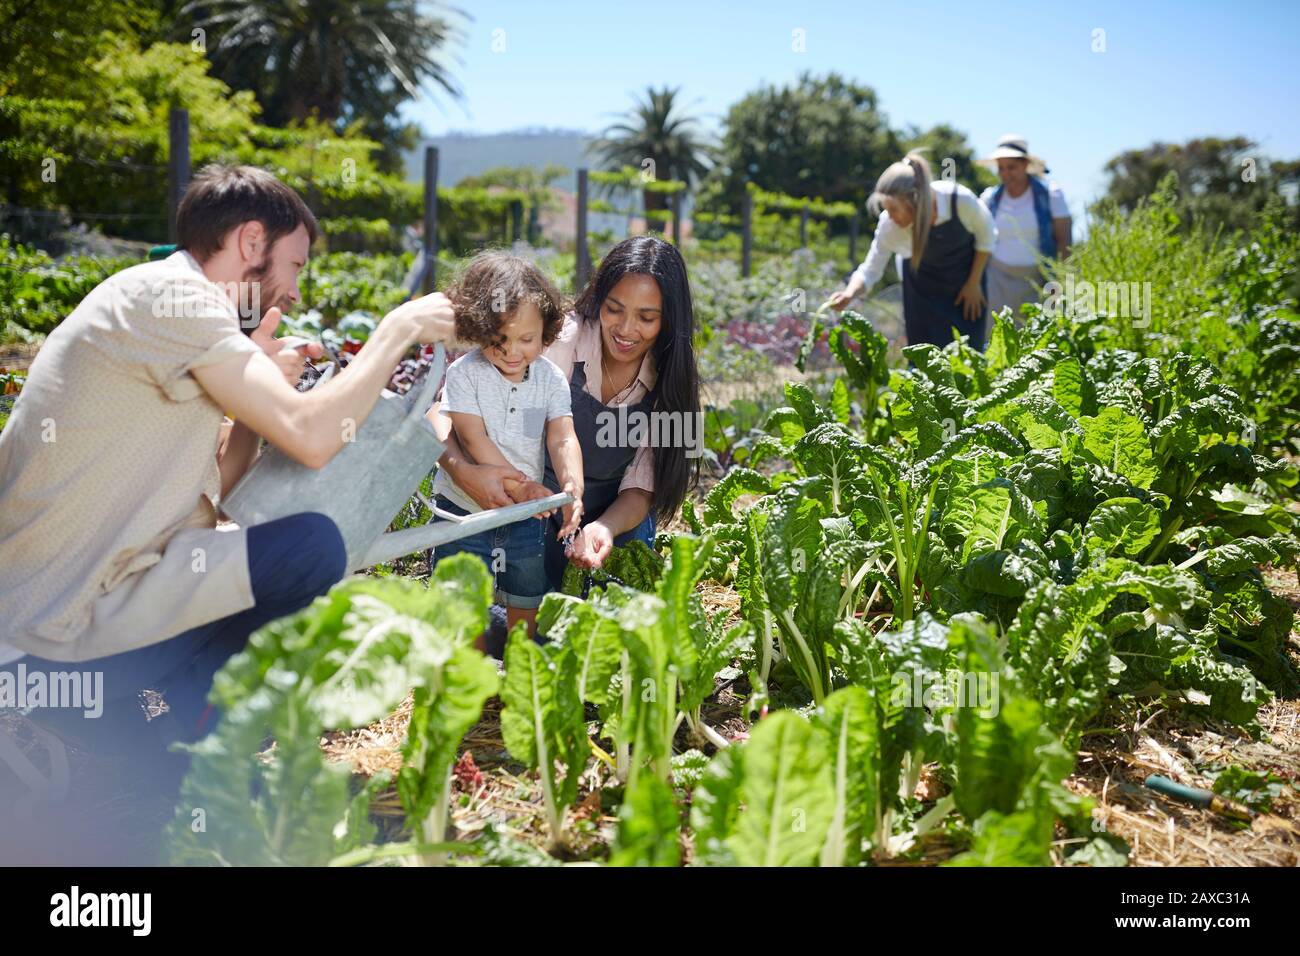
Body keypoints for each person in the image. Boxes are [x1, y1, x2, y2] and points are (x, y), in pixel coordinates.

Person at [0, 165, 457, 827]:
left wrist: (250, 404)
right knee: (311, 546)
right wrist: (395, 332)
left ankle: (164, 752)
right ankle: (198, 742)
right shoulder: (174, 300)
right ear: (250, 242)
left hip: (60, 625)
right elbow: (308, 435)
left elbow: (227, 492)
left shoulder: (168, 309)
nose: (295, 292)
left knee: (159, 785)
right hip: (46, 637)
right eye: (294, 266)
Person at [431, 235, 702, 605]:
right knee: (522, 614)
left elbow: (641, 489)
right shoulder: (558, 340)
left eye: (647, 317)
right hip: (534, 503)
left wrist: (603, 527)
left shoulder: (676, 382)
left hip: (614, 518)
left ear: (670, 318)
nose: (625, 329)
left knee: (615, 617)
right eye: (614, 309)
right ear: (599, 300)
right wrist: (462, 471)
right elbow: (442, 413)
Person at [430, 252, 584, 639]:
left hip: (525, 521)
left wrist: (572, 486)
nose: (513, 351)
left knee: (525, 602)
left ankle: (520, 676)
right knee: (464, 612)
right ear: (477, 328)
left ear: (546, 332)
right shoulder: (466, 374)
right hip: (464, 515)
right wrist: (524, 487)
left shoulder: (549, 379)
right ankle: (473, 683)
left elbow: (561, 435)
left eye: (526, 339)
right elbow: (472, 437)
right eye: (499, 341)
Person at [827, 152, 997, 350]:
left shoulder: (958, 200)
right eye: (885, 209)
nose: (889, 216)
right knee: (924, 358)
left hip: (966, 286)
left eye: (894, 209)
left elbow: (987, 237)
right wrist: (849, 294)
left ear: (915, 201)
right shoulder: (889, 225)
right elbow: (871, 269)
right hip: (921, 290)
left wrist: (973, 283)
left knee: (968, 354)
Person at [978, 134, 1072, 320]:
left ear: (1025, 165)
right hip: (996, 280)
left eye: (1011, 167)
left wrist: (1062, 281)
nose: (1006, 173)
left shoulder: (1050, 195)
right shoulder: (990, 198)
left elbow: (1064, 242)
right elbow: (979, 238)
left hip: (1037, 279)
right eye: (1001, 168)